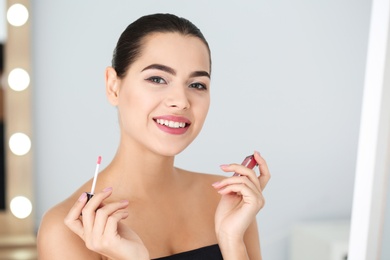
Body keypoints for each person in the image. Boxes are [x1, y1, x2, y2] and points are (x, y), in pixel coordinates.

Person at [37, 13, 270, 260]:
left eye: (197, 85)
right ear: (113, 86)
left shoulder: (228, 201)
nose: (181, 101)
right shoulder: (69, 230)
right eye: (157, 79)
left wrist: (232, 240)